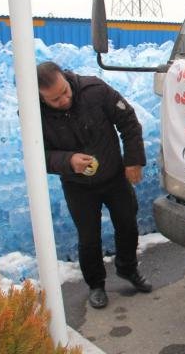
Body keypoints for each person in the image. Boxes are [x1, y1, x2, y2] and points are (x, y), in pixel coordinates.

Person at [37, 61, 151, 309]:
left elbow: (128, 121)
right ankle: (96, 284)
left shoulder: (94, 90)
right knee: (89, 237)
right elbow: (37, 155)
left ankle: (128, 269)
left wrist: (133, 160)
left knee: (128, 223)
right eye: (55, 99)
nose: (64, 100)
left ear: (66, 78)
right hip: (77, 185)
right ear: (41, 98)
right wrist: (68, 161)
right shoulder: (33, 114)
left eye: (65, 91)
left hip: (113, 175)